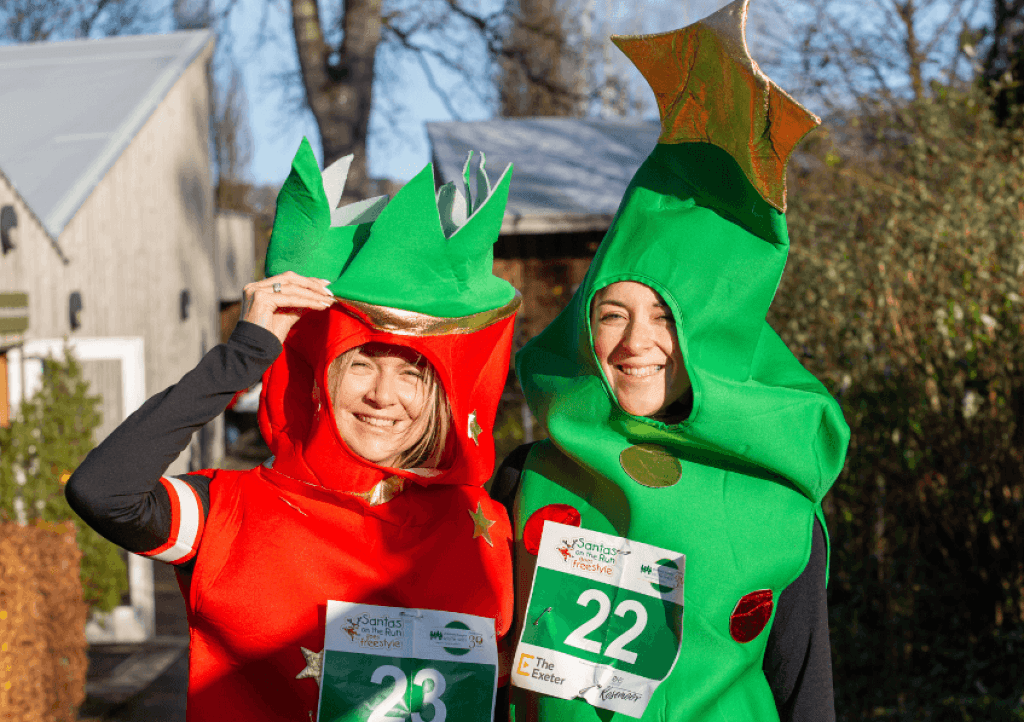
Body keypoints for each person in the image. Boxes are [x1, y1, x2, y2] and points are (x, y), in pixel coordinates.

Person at [66, 139, 521, 721]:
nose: (383, 395)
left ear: (441, 391)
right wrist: (240, 359)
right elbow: (102, 492)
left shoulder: (488, 523)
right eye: (360, 363)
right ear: (322, 377)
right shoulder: (230, 512)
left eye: (411, 372)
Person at [493, 4, 851, 722]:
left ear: (711, 342)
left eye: (669, 320)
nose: (636, 344)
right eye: (611, 314)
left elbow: (805, 693)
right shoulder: (525, 478)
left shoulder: (781, 507)